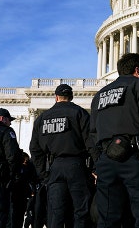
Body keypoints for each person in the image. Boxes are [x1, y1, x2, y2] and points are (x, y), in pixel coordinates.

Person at [89, 53, 139, 228]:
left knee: (108, 217)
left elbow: (92, 132)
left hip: (106, 160)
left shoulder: (100, 95)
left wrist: (98, 161)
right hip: (135, 157)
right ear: (138, 70)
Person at [29, 83, 96, 227]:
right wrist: (96, 168)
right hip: (77, 165)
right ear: (71, 97)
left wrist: (43, 174)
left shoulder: (42, 118)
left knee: (56, 213)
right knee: (81, 211)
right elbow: (91, 143)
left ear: (56, 97)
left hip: (55, 167)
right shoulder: (80, 113)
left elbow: (35, 149)